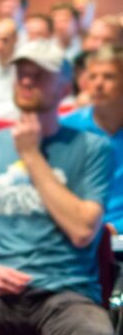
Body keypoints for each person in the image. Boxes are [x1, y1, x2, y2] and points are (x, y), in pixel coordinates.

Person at [0, 40, 113, 334]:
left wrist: (31, 155)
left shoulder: (92, 148)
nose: (26, 81)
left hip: (66, 294)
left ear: (65, 88)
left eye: (40, 75)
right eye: (21, 73)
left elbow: (83, 231)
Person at [62, 44, 123, 233]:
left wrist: (117, 228)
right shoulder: (66, 128)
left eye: (108, 77)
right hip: (76, 230)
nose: (98, 84)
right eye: (92, 77)